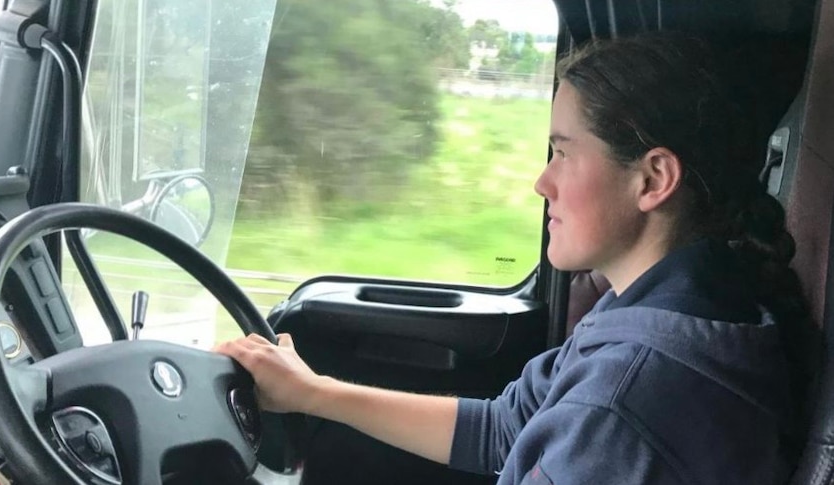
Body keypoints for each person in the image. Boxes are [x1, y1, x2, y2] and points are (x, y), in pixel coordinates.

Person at [215, 32, 816, 484]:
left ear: (653, 178)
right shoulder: (665, 308)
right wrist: (313, 392)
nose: (541, 183)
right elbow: (506, 429)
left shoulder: (622, 406)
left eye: (563, 153)